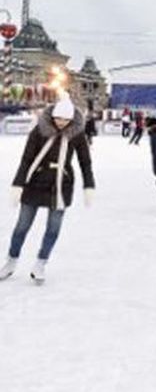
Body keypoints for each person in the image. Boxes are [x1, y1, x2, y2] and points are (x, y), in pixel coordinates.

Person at [1, 94, 95, 283]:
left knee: (53, 228)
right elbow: (26, 159)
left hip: (60, 185)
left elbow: (85, 162)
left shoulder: (77, 133)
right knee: (22, 226)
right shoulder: (39, 131)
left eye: (66, 119)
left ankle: (41, 263)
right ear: (52, 116)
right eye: (58, 118)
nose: (61, 122)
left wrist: (89, 185)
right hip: (35, 182)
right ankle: (11, 261)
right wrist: (18, 183)